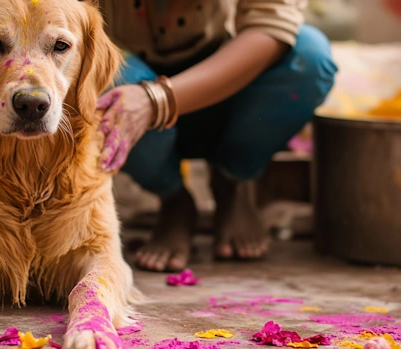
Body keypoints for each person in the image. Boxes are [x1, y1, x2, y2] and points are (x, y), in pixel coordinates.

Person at [96, 1, 337, 272]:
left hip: (230, 87)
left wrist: (157, 101)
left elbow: (270, 27)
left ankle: (232, 182)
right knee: (99, 76)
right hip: (133, 89)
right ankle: (173, 198)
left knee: (309, 58)